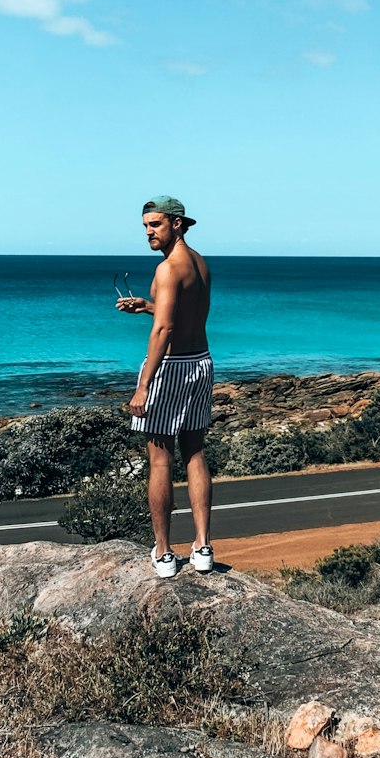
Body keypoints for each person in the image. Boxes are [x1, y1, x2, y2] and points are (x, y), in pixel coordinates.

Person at [116, 197, 214, 578]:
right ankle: (203, 546)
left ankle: (163, 552)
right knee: (195, 455)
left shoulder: (167, 269)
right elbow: (181, 313)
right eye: (144, 226)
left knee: (160, 460)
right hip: (201, 362)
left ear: (177, 224)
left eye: (154, 225)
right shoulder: (200, 264)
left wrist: (144, 385)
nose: (147, 232)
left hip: (170, 367)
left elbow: (165, 329)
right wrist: (147, 305)